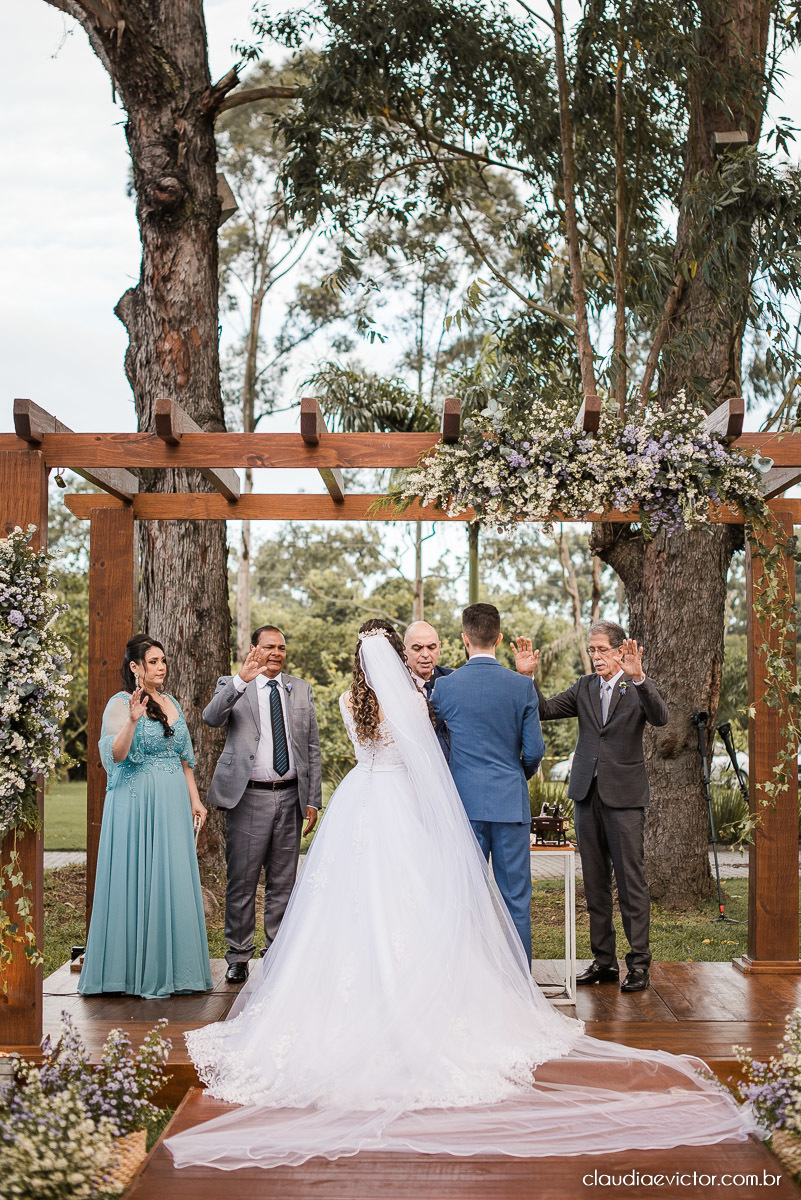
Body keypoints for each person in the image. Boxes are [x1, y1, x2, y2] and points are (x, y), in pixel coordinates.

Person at [166, 619, 751, 1172]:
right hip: (405, 807)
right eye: (410, 650)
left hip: (361, 805)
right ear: (398, 657)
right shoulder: (414, 700)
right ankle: (459, 988)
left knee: (345, 907)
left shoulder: (350, 702)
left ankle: (354, 991)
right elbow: (435, 757)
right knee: (419, 904)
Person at [513, 619, 669, 993]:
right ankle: (603, 962)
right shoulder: (583, 687)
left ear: (620, 652)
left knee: (631, 883)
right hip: (586, 795)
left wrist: (642, 678)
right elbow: (545, 710)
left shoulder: (635, 688)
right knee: (595, 884)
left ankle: (639, 964)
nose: (595, 656)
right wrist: (527, 677)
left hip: (626, 799)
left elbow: (661, 718)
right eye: (592, 650)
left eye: (602, 650)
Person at [79, 634, 212, 999]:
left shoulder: (171, 702)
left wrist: (195, 801)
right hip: (135, 803)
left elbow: (184, 760)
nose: (161, 667)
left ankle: (176, 971)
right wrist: (133, 721)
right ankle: (128, 973)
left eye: (163, 660)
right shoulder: (120, 704)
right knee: (135, 876)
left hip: (171, 802)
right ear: (135, 667)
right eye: (153, 661)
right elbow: (115, 757)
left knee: (170, 877)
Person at [203, 624, 322, 984]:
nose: (276, 653)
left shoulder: (299, 689)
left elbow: (312, 749)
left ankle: (277, 951)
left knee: (284, 880)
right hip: (249, 796)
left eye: (281, 648)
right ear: (254, 649)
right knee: (242, 879)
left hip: (290, 796)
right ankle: (238, 955)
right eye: (268, 647)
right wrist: (242, 679)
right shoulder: (233, 684)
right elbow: (212, 718)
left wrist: (313, 801)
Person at [429, 603, 543, 961]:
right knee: (516, 899)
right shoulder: (522, 686)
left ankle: (468, 979)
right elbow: (535, 750)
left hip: (463, 806)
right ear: (499, 638)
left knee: (465, 896)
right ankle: (520, 983)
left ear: (464, 639)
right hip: (510, 803)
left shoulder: (444, 688)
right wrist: (514, 774)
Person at [404, 620, 453, 756]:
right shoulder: (396, 685)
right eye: (417, 648)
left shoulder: (452, 679)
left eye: (431, 648)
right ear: (404, 650)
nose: (425, 654)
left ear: (439, 647)